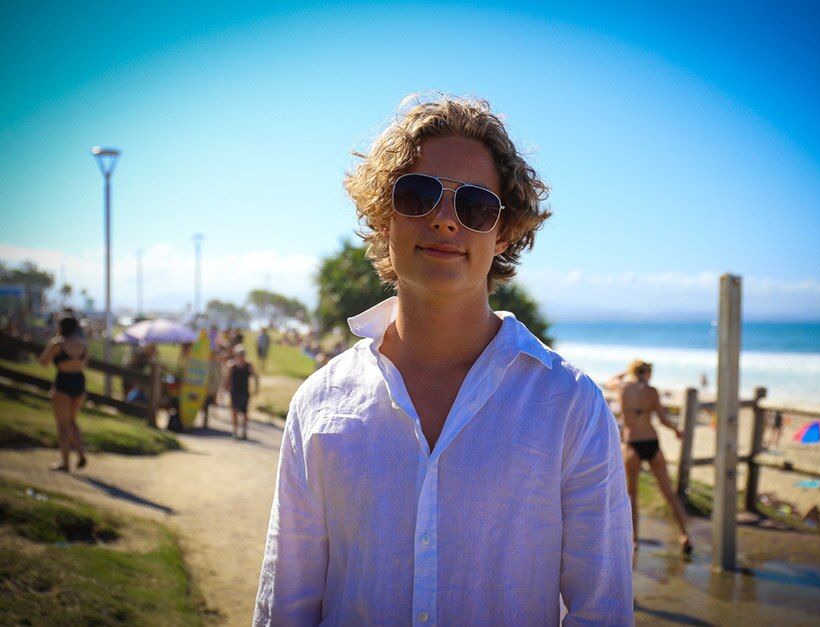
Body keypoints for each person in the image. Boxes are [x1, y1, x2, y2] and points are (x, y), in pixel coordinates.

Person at [254, 94, 633, 625]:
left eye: (475, 205)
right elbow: (285, 606)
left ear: (504, 232)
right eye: (417, 194)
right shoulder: (319, 402)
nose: (446, 221)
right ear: (385, 216)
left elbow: (603, 610)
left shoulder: (571, 407)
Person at [609, 359, 692, 560]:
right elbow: (663, 419)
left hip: (632, 444)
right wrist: (677, 431)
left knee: (632, 495)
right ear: (648, 373)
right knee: (669, 493)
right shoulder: (652, 391)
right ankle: (684, 535)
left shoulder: (623, 388)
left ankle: (635, 539)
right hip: (652, 442)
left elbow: (611, 380)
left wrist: (626, 373)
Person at [38, 316, 88, 472]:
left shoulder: (58, 343)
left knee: (63, 425)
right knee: (72, 420)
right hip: (79, 381)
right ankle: (80, 454)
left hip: (63, 381)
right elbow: (84, 364)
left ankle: (65, 463)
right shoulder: (83, 345)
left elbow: (43, 362)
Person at [224, 344, 258, 439]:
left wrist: (256, 388)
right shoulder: (232, 365)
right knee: (234, 411)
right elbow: (227, 378)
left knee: (245, 413)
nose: (241, 356)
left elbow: (255, 376)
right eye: (239, 354)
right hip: (234, 391)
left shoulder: (248, 366)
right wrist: (225, 388)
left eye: (243, 354)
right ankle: (235, 431)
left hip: (244, 391)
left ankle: (244, 431)